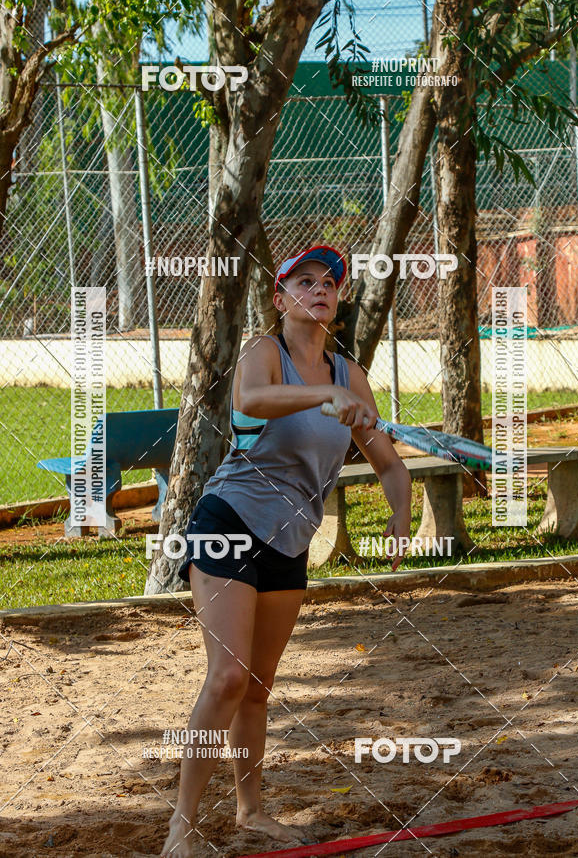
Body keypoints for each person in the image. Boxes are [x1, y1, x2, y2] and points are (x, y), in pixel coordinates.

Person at [161, 245, 412, 858]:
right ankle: (182, 826)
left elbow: (389, 464)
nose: (319, 289)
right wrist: (324, 394)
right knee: (225, 678)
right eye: (305, 281)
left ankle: (251, 813)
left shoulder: (350, 376)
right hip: (230, 522)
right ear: (280, 298)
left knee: (256, 686)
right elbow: (251, 401)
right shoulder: (262, 352)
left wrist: (401, 522)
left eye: (330, 283)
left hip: (290, 539)